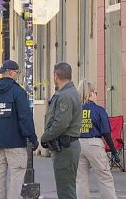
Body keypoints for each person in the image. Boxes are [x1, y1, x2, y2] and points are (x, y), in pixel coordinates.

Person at [0, 59, 37, 199]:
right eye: (17, 72)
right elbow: (25, 118)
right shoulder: (18, 92)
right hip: (16, 143)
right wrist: (32, 138)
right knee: (16, 177)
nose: (17, 75)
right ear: (11, 72)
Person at [40, 62, 81, 199]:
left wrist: (45, 137)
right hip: (66, 146)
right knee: (66, 188)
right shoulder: (69, 92)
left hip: (65, 147)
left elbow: (61, 123)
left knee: (66, 191)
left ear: (56, 76)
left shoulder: (65, 95)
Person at [76, 80, 118, 199]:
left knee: (81, 179)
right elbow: (106, 132)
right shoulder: (99, 110)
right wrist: (114, 151)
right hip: (94, 143)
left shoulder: (75, 110)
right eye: (96, 93)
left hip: (78, 144)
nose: (96, 95)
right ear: (90, 94)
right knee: (104, 177)